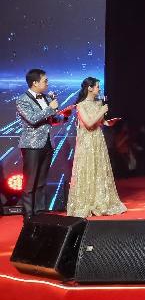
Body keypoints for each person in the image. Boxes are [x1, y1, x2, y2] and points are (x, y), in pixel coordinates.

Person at [67, 77, 126, 218]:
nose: (99, 89)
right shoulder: (81, 105)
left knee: (98, 169)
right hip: (87, 142)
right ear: (90, 88)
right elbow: (88, 124)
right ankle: (86, 202)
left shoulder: (98, 103)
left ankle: (99, 201)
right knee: (87, 168)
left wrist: (109, 122)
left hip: (98, 140)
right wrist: (101, 111)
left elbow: (100, 122)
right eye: (97, 86)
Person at [15, 68, 62, 220]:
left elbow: (50, 119)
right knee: (30, 182)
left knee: (41, 181)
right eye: (45, 81)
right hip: (32, 145)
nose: (47, 83)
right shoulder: (22, 99)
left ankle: (40, 214)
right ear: (35, 83)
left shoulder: (47, 98)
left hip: (47, 143)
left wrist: (62, 116)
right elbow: (32, 119)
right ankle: (29, 216)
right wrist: (50, 108)